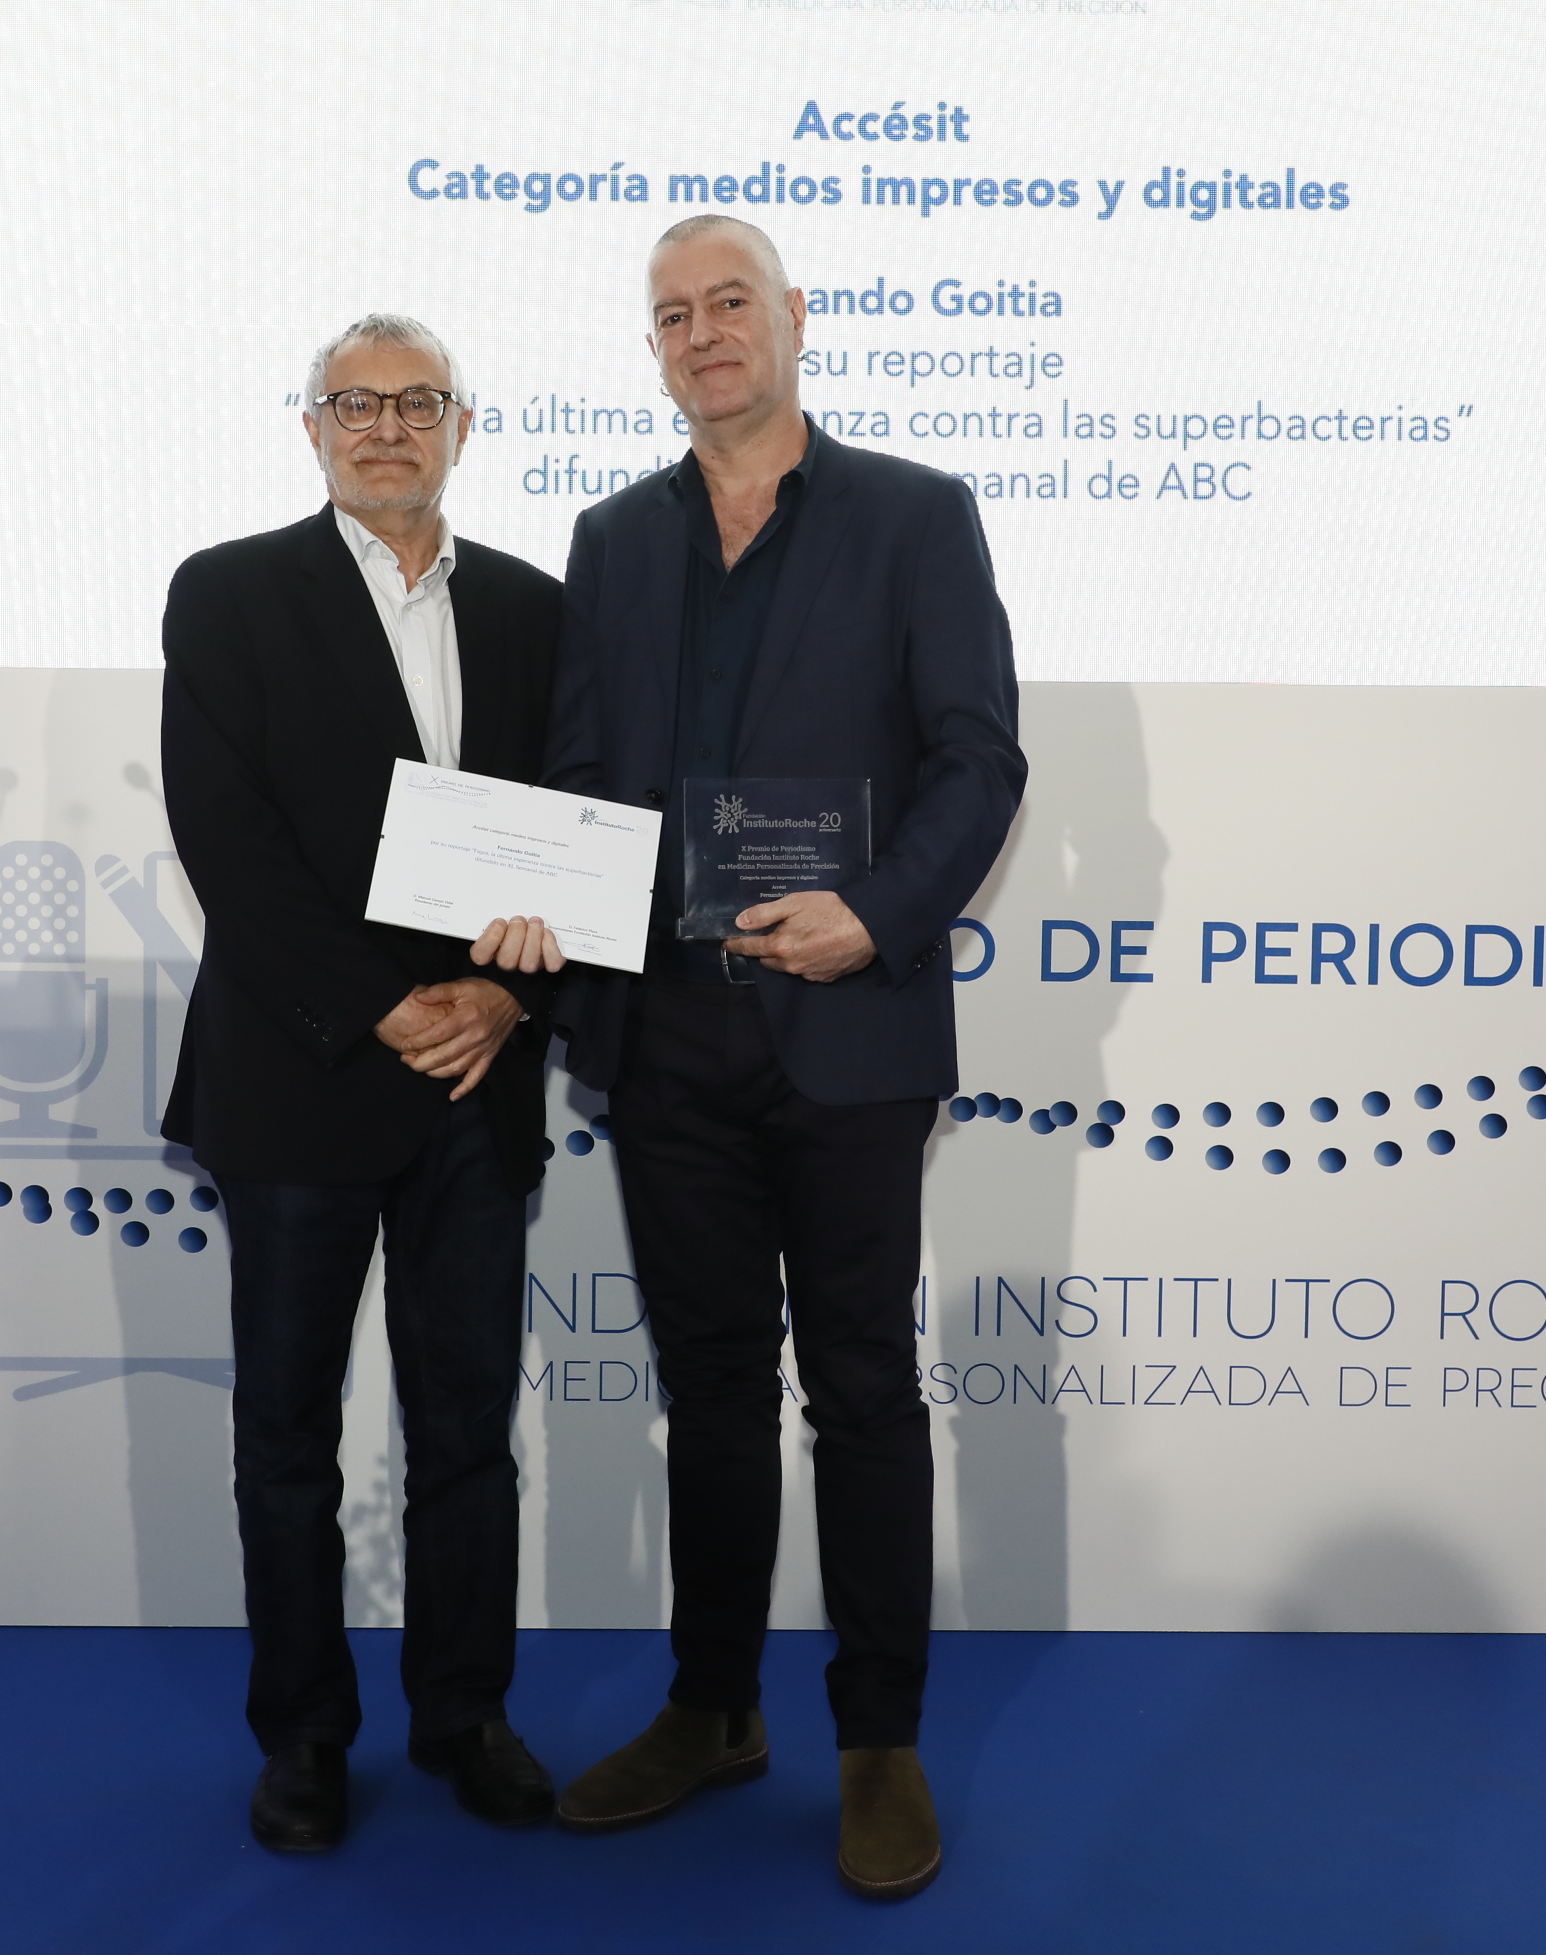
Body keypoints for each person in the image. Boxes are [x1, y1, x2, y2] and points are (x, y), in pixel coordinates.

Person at [542, 216, 1025, 1899]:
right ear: (655, 352)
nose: (704, 332)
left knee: (866, 1394)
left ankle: (879, 1741)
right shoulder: (613, 539)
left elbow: (979, 759)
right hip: (668, 1032)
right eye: (672, 314)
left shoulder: (916, 515)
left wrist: (872, 916)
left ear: (795, 317)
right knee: (712, 1396)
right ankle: (714, 1708)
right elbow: (584, 779)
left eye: (729, 301)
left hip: (847, 1026)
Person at [158, 312, 568, 1855]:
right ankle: (305, 1737)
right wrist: (386, 1003)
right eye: (355, 403)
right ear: (312, 428)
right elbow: (227, 838)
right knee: (287, 1436)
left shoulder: (536, 610)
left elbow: (583, 827)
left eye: (417, 401)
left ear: (464, 426)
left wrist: (510, 1000)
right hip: (301, 1075)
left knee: (468, 1431)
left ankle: (466, 1717)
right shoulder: (228, 593)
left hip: (479, 1077)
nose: (386, 426)